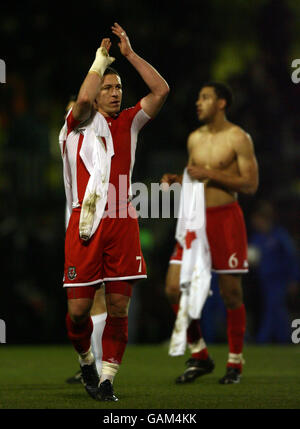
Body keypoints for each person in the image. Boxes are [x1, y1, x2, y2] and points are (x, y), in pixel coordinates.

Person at [59, 23, 169, 402]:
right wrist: (99, 60)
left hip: (122, 219)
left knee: (119, 306)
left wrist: (129, 55)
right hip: (85, 222)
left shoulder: (130, 122)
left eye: (118, 87)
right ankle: (86, 360)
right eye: (107, 86)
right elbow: (85, 101)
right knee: (77, 312)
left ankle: (106, 380)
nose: (114, 92)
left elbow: (161, 91)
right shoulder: (73, 129)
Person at [161, 82, 258, 384]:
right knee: (173, 289)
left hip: (226, 219)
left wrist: (212, 174)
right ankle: (200, 353)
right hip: (195, 220)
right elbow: (194, 176)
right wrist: (176, 179)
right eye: (198, 97)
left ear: (221, 103)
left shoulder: (238, 138)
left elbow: (250, 185)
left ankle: (235, 363)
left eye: (205, 97)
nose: (198, 103)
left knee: (231, 294)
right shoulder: (194, 139)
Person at [61, 98, 108, 385]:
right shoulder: (67, 140)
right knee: (78, 306)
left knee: (98, 295)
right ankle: (90, 358)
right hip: (74, 225)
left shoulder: (98, 137)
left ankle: (100, 364)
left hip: (98, 223)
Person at [248, 200, 299, 343]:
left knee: (273, 309)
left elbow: (292, 258)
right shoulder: (257, 238)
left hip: (279, 280)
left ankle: (262, 340)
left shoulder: (279, 236)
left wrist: (294, 279)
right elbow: (253, 258)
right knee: (276, 311)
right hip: (264, 281)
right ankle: (285, 340)